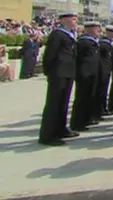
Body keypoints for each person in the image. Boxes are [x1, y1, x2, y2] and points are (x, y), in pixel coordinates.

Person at [39, 11, 79, 146]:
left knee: (63, 103)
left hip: (68, 73)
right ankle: (47, 135)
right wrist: (49, 72)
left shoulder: (70, 35)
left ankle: (61, 129)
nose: (76, 22)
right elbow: (50, 54)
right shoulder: (57, 34)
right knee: (54, 104)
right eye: (73, 19)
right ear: (64, 20)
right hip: (58, 73)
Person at [70, 21, 101, 131]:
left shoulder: (93, 42)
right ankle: (77, 123)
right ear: (88, 29)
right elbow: (77, 59)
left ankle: (86, 119)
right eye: (96, 28)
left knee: (89, 97)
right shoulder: (83, 42)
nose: (99, 30)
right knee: (81, 98)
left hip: (92, 74)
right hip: (84, 74)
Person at [97, 25, 113, 118]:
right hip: (102, 70)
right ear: (108, 32)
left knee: (104, 90)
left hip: (107, 70)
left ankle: (103, 108)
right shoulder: (103, 43)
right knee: (100, 90)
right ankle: (99, 109)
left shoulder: (110, 43)